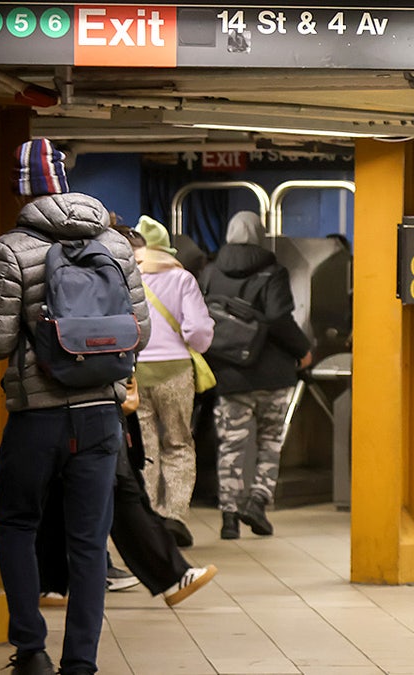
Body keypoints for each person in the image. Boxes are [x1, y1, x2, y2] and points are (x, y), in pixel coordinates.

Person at [0, 138, 150, 675]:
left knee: (15, 523)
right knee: (87, 538)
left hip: (38, 414)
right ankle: (81, 662)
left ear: (23, 188)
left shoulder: (11, 249)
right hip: (101, 412)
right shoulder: (118, 246)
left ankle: (31, 650)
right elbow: (138, 334)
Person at [200, 210, 313, 539]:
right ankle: (258, 502)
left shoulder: (209, 273)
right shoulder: (272, 272)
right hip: (273, 374)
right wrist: (302, 349)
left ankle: (229, 516)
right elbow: (279, 319)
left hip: (229, 373)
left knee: (231, 446)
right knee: (269, 442)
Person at [132, 215, 215, 547]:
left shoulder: (129, 279)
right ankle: (175, 515)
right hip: (175, 371)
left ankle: (147, 519)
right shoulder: (182, 279)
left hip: (136, 371)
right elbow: (197, 330)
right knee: (179, 443)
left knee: (145, 447)